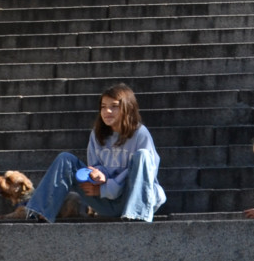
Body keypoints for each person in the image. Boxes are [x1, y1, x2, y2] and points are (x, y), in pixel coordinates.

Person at [22, 83, 166, 222]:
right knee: (65, 159)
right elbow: (94, 168)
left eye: (114, 106)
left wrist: (107, 187)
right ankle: (39, 212)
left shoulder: (140, 133)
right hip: (105, 201)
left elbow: (146, 174)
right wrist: (97, 175)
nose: (107, 111)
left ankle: (137, 217)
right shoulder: (97, 134)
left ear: (128, 109)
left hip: (132, 199)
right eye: (103, 107)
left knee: (143, 156)